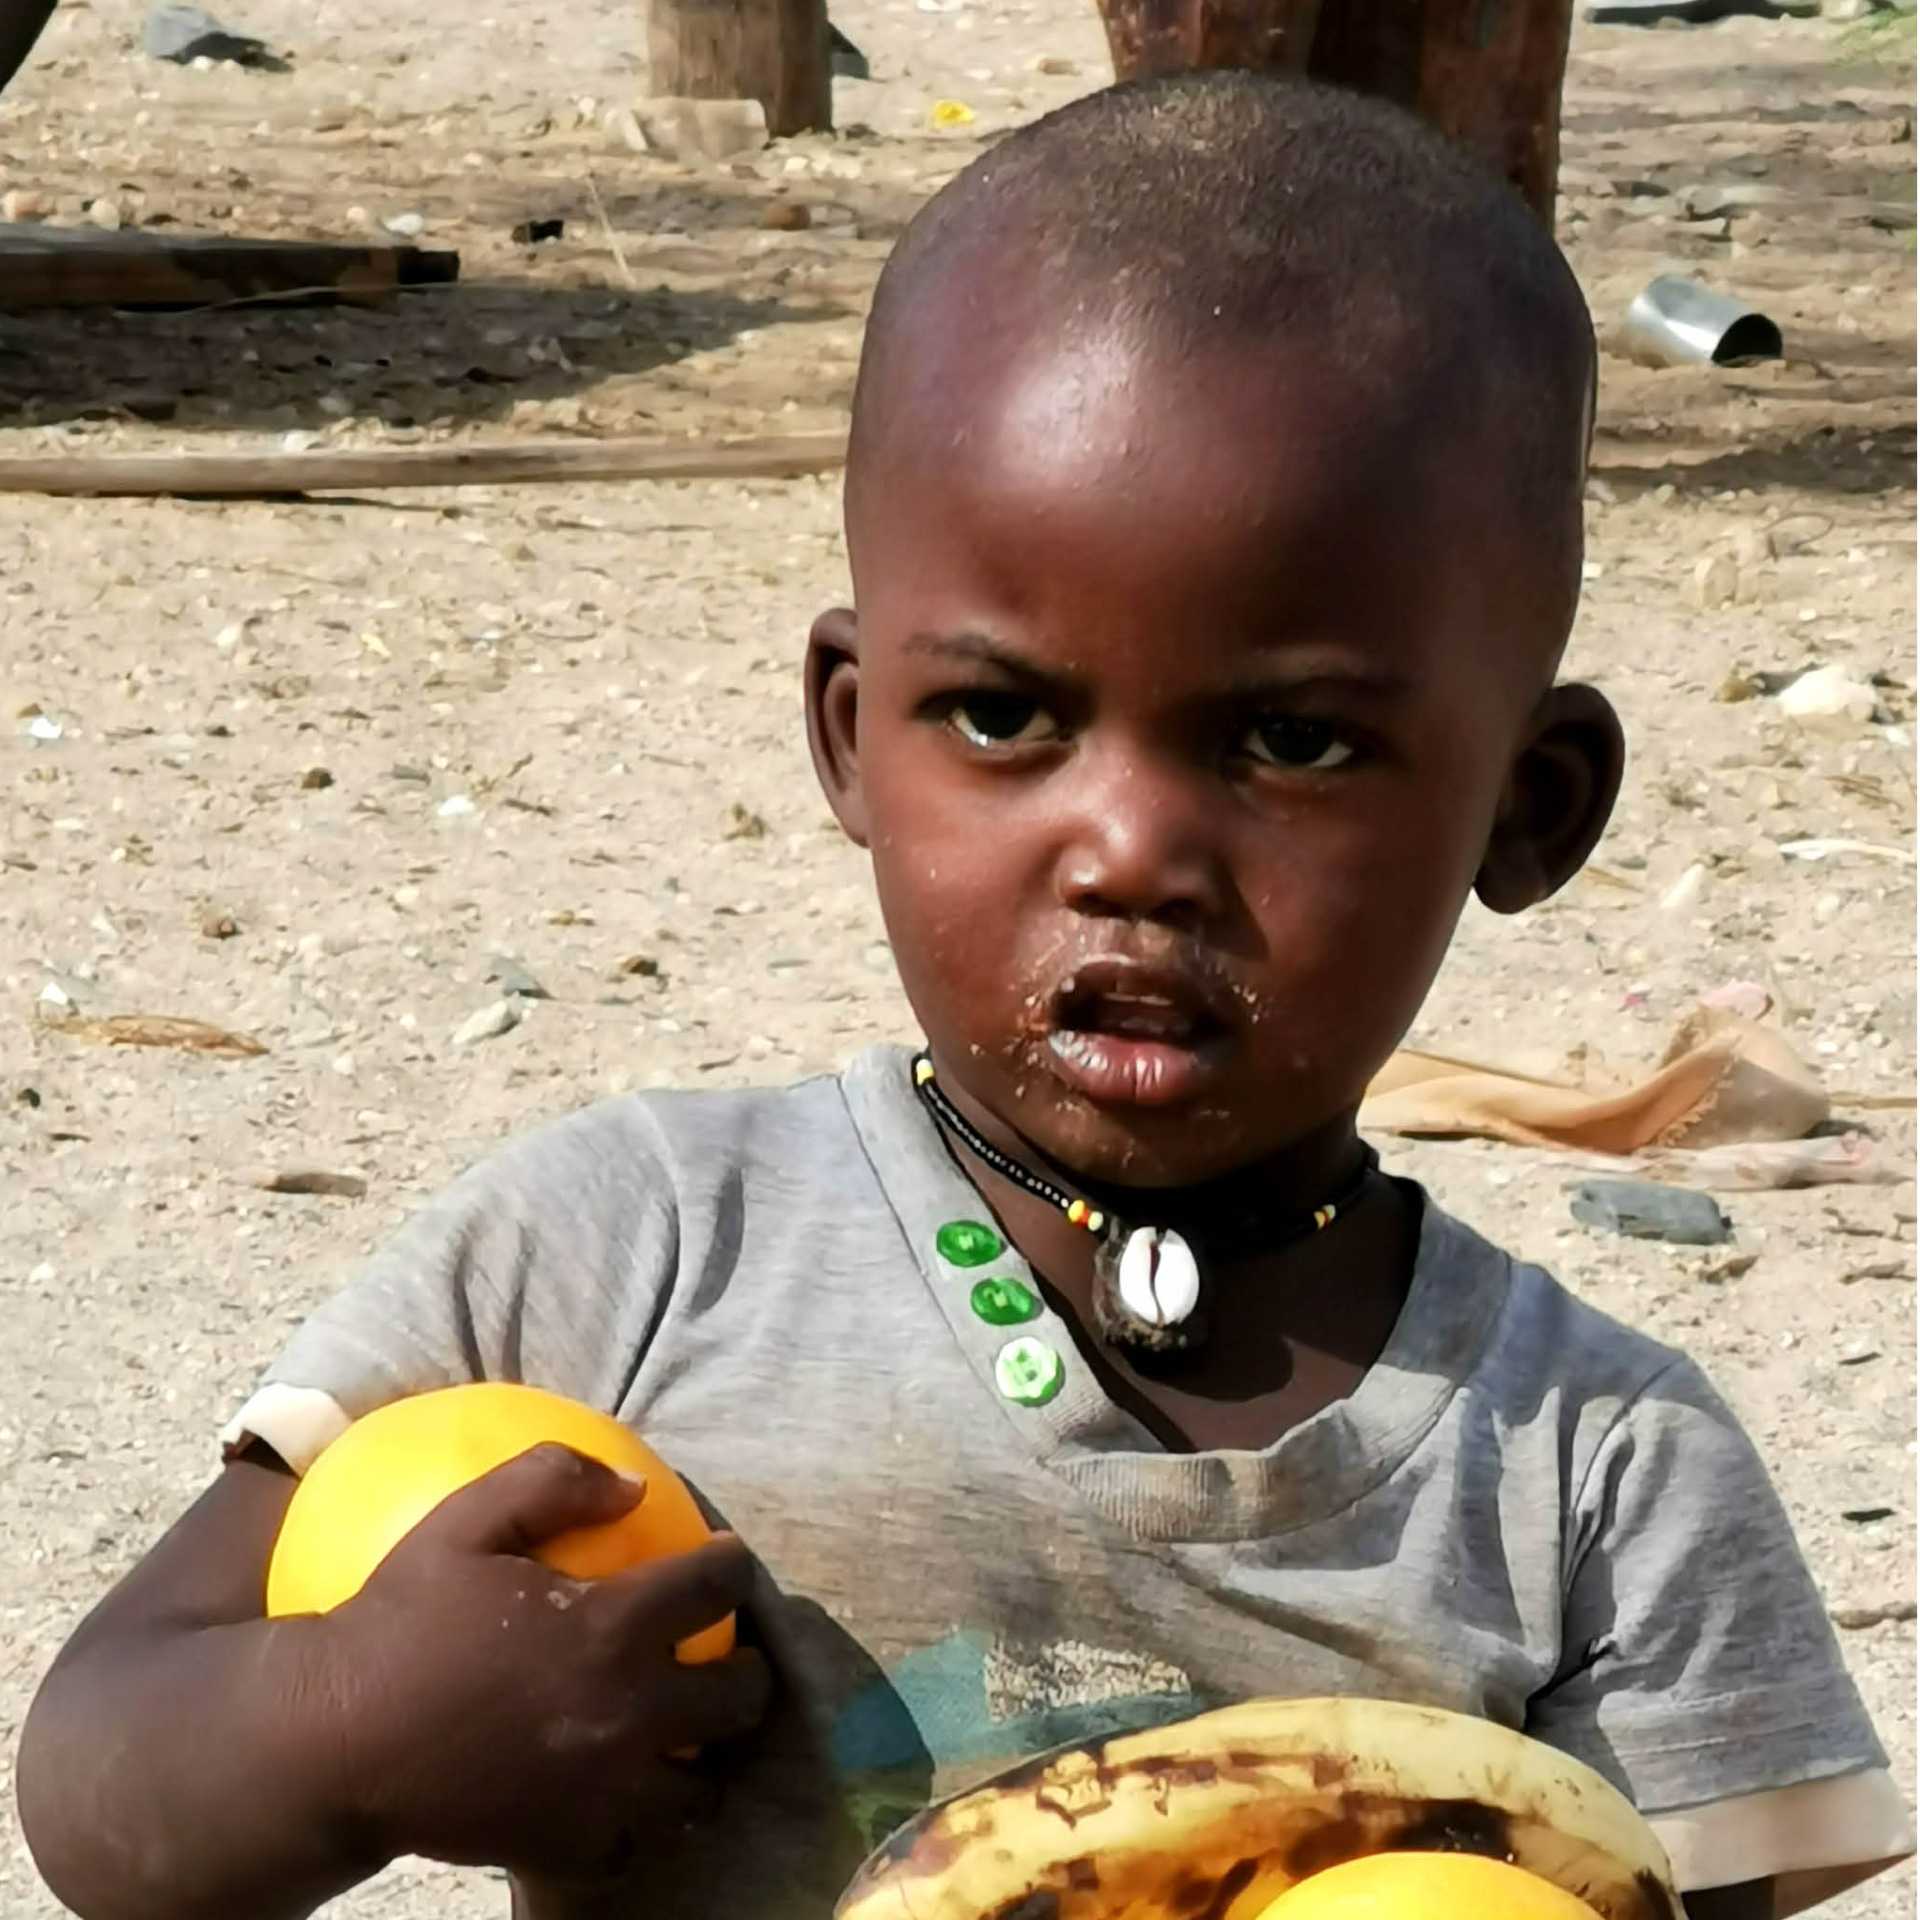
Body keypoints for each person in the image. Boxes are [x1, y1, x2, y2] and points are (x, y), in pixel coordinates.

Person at [17, 70, 1910, 1920]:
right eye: (1003, 716)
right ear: (854, 737)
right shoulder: (625, 1257)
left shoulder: (1599, 1470)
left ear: (1532, 806)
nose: (1131, 854)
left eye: (1295, 742)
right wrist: (357, 1721)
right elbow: (103, 1772)